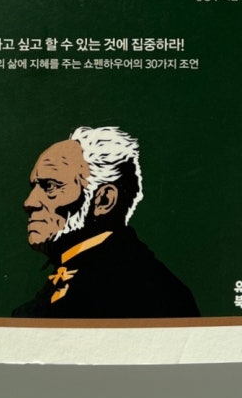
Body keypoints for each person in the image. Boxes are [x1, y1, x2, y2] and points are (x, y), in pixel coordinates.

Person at [12, 126, 199, 318]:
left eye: (50, 186)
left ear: (104, 200)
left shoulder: (147, 289)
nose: (29, 203)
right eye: (34, 187)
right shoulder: (64, 278)